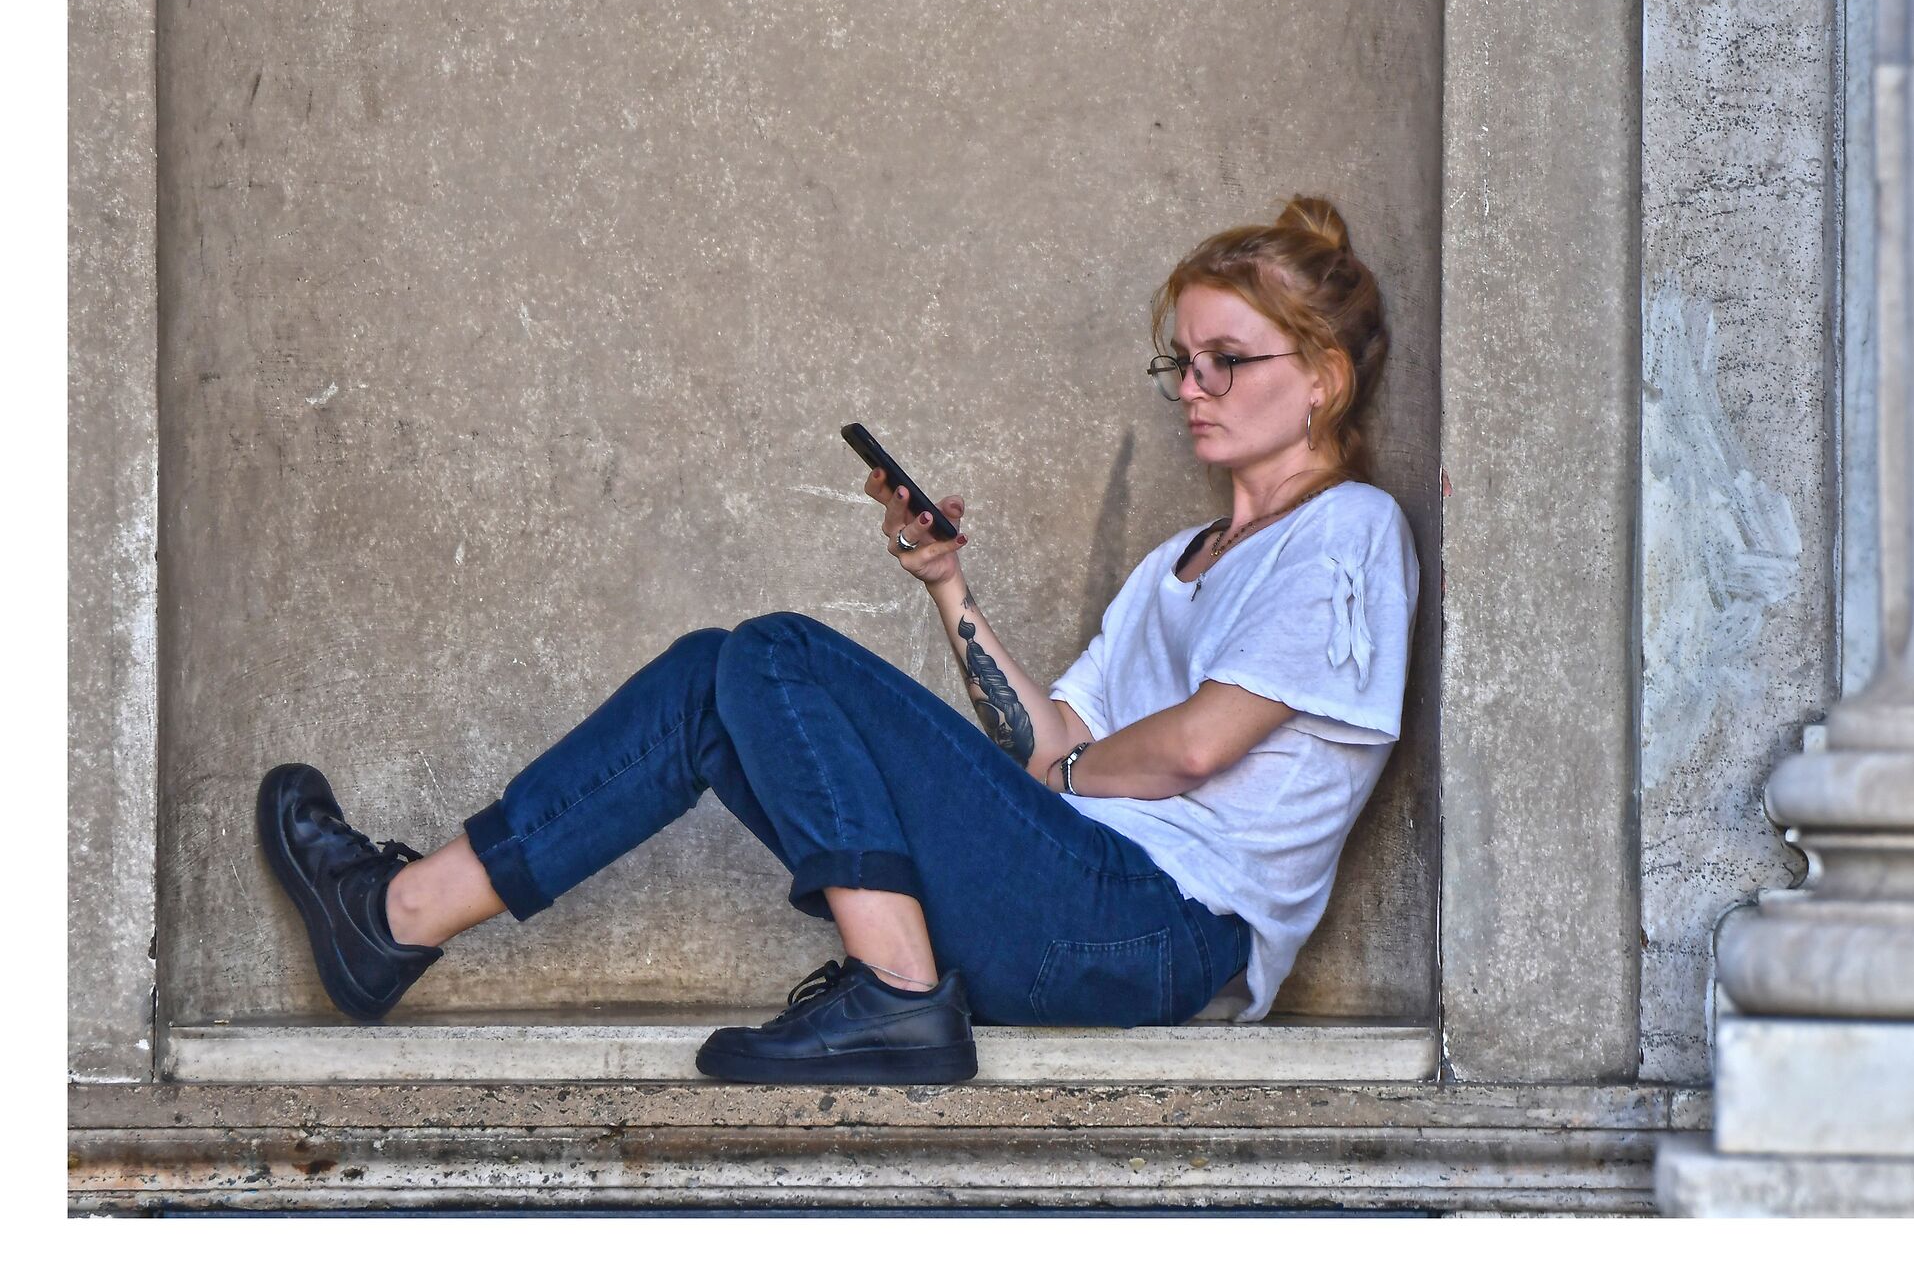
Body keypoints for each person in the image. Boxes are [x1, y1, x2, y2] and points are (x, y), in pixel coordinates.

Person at [256, 196, 1418, 1084]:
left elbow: (1198, 746)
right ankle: (396, 918)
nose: (1195, 387)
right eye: (1183, 362)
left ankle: (897, 991)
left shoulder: (1348, 531)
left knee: (778, 652)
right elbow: (1042, 740)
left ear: (1322, 379)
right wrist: (947, 583)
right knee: (716, 676)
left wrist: (1068, 775)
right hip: (1069, 902)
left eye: (1228, 360)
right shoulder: (1178, 561)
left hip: (1161, 934)